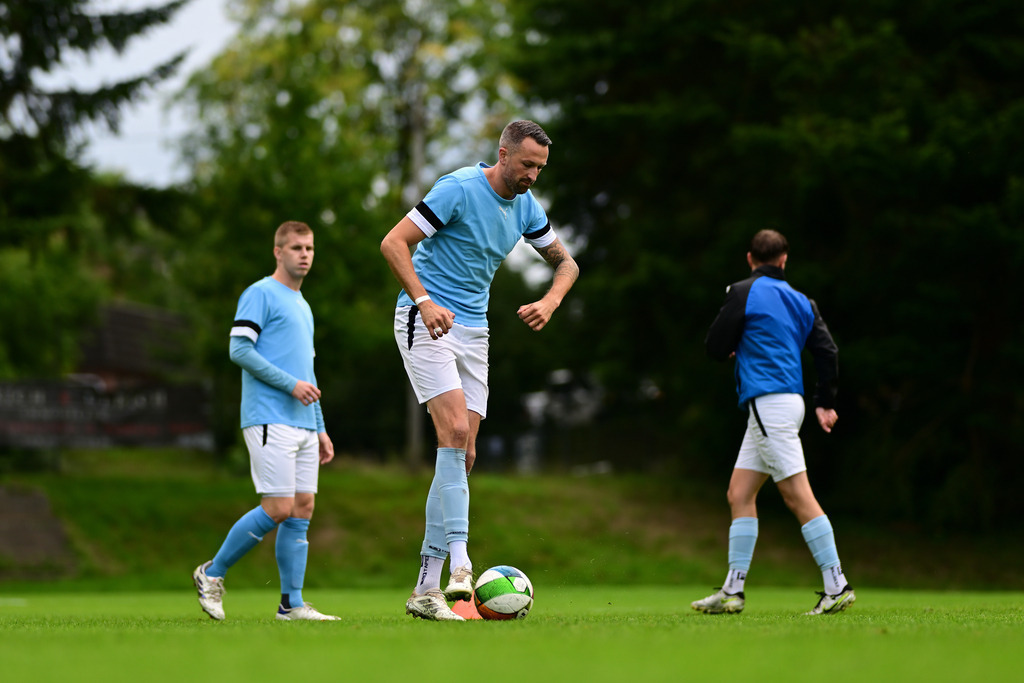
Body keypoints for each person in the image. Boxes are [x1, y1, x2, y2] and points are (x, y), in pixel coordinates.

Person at [380, 120, 579, 621]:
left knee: (463, 454)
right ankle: (461, 564)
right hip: (426, 319)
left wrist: (551, 301)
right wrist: (424, 301)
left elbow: (567, 264)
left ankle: (424, 589)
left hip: (474, 331)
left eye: (540, 168)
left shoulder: (527, 208)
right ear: (503, 154)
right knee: (451, 432)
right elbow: (393, 243)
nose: (532, 175)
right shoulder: (458, 188)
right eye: (527, 164)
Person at [692, 229, 855, 616]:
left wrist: (734, 344)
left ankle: (837, 585)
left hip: (768, 404)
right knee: (739, 493)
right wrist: (825, 402)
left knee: (797, 494)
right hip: (788, 403)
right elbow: (827, 351)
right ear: (784, 260)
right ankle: (733, 591)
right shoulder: (802, 300)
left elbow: (714, 346)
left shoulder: (742, 291)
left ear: (750, 259)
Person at [193, 220, 339, 622]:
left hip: (304, 424)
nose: (304, 255)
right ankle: (212, 572)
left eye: (309, 248)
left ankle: (291, 605)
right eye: (296, 248)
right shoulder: (260, 293)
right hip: (269, 418)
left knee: (302, 508)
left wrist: (320, 427)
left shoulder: (303, 305)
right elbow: (239, 350)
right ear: (278, 252)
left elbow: (307, 373)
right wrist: (291, 386)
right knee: (277, 507)